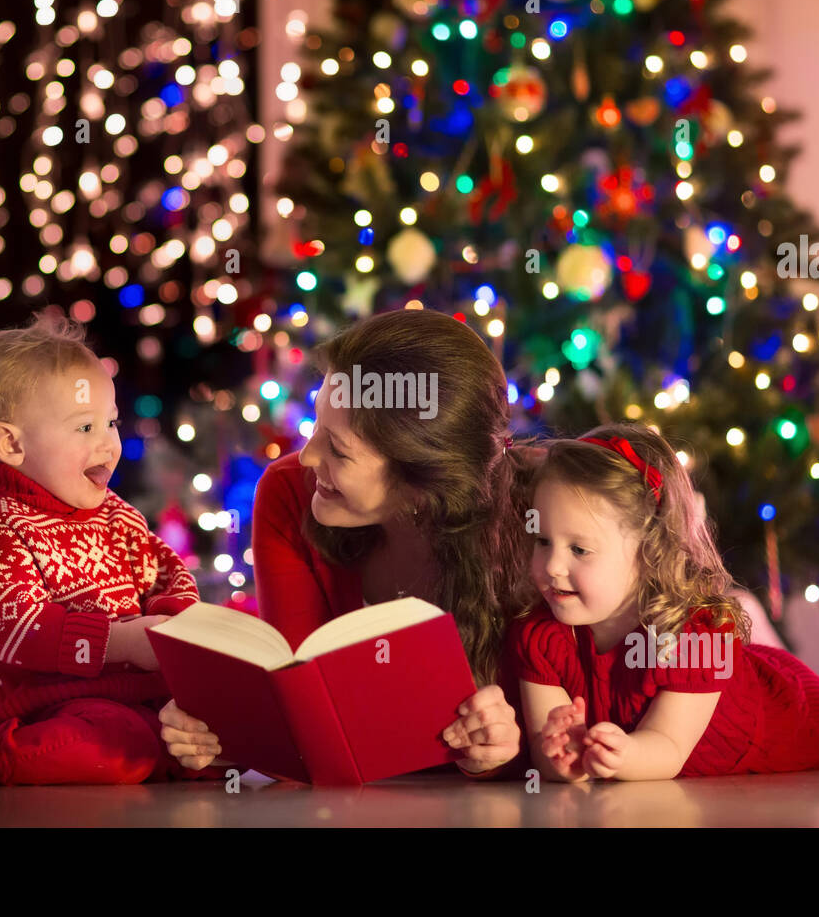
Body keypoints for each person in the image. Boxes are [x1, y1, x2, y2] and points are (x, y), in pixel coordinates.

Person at [159, 309, 539, 779]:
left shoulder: (541, 521)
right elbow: (301, 716)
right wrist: (227, 736)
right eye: (316, 425)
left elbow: (581, 726)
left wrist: (498, 753)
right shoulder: (289, 492)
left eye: (338, 450)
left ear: (426, 482)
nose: (309, 455)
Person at [0, 310, 216, 786]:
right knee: (106, 747)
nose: (109, 444)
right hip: (51, 705)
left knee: (215, 739)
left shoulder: (118, 515)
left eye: (110, 423)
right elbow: (17, 629)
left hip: (145, 695)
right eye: (84, 428)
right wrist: (125, 641)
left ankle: (165, 750)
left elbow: (167, 573)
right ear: (10, 443)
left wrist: (174, 623)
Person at [509, 423, 819, 782]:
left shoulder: (694, 640)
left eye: (579, 549)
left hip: (796, 717)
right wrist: (564, 756)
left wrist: (624, 756)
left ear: (649, 550)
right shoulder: (538, 635)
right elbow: (543, 749)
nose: (552, 566)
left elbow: (667, 746)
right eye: (543, 541)